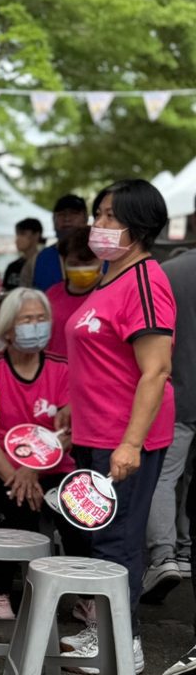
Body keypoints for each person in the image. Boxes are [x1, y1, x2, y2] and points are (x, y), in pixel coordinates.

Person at [59, 179, 175, 675]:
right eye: (99, 214)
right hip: (94, 432)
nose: (99, 224)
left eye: (111, 216)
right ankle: (101, 629)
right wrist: (73, 407)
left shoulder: (145, 280)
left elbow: (156, 370)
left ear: (140, 225)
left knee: (118, 541)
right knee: (95, 538)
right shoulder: (110, 277)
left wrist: (131, 444)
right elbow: (103, 359)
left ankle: (123, 644)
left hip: (124, 439)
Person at [0, 288, 72, 618]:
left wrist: (33, 469)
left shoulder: (62, 369)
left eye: (41, 319)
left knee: (75, 511)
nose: (36, 326)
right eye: (27, 320)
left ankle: (83, 596)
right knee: (23, 506)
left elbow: (67, 431)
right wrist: (14, 476)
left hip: (52, 468)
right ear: (8, 328)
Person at [143, 244, 196, 603]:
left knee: (164, 477)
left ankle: (164, 556)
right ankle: (188, 549)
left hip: (176, 395)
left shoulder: (168, 273)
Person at [43, 226, 99, 358]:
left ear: (101, 259)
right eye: (74, 264)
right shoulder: (51, 295)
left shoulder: (112, 294)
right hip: (56, 368)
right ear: (63, 261)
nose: (81, 269)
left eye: (88, 263)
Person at [31, 194, 89, 292]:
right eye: (61, 214)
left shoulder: (102, 255)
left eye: (74, 213)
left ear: (85, 218)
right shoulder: (37, 260)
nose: (67, 219)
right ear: (53, 220)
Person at [2, 217, 43, 290]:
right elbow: (4, 290)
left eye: (23, 234)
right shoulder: (13, 267)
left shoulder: (45, 264)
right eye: (17, 234)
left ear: (36, 235)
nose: (18, 239)